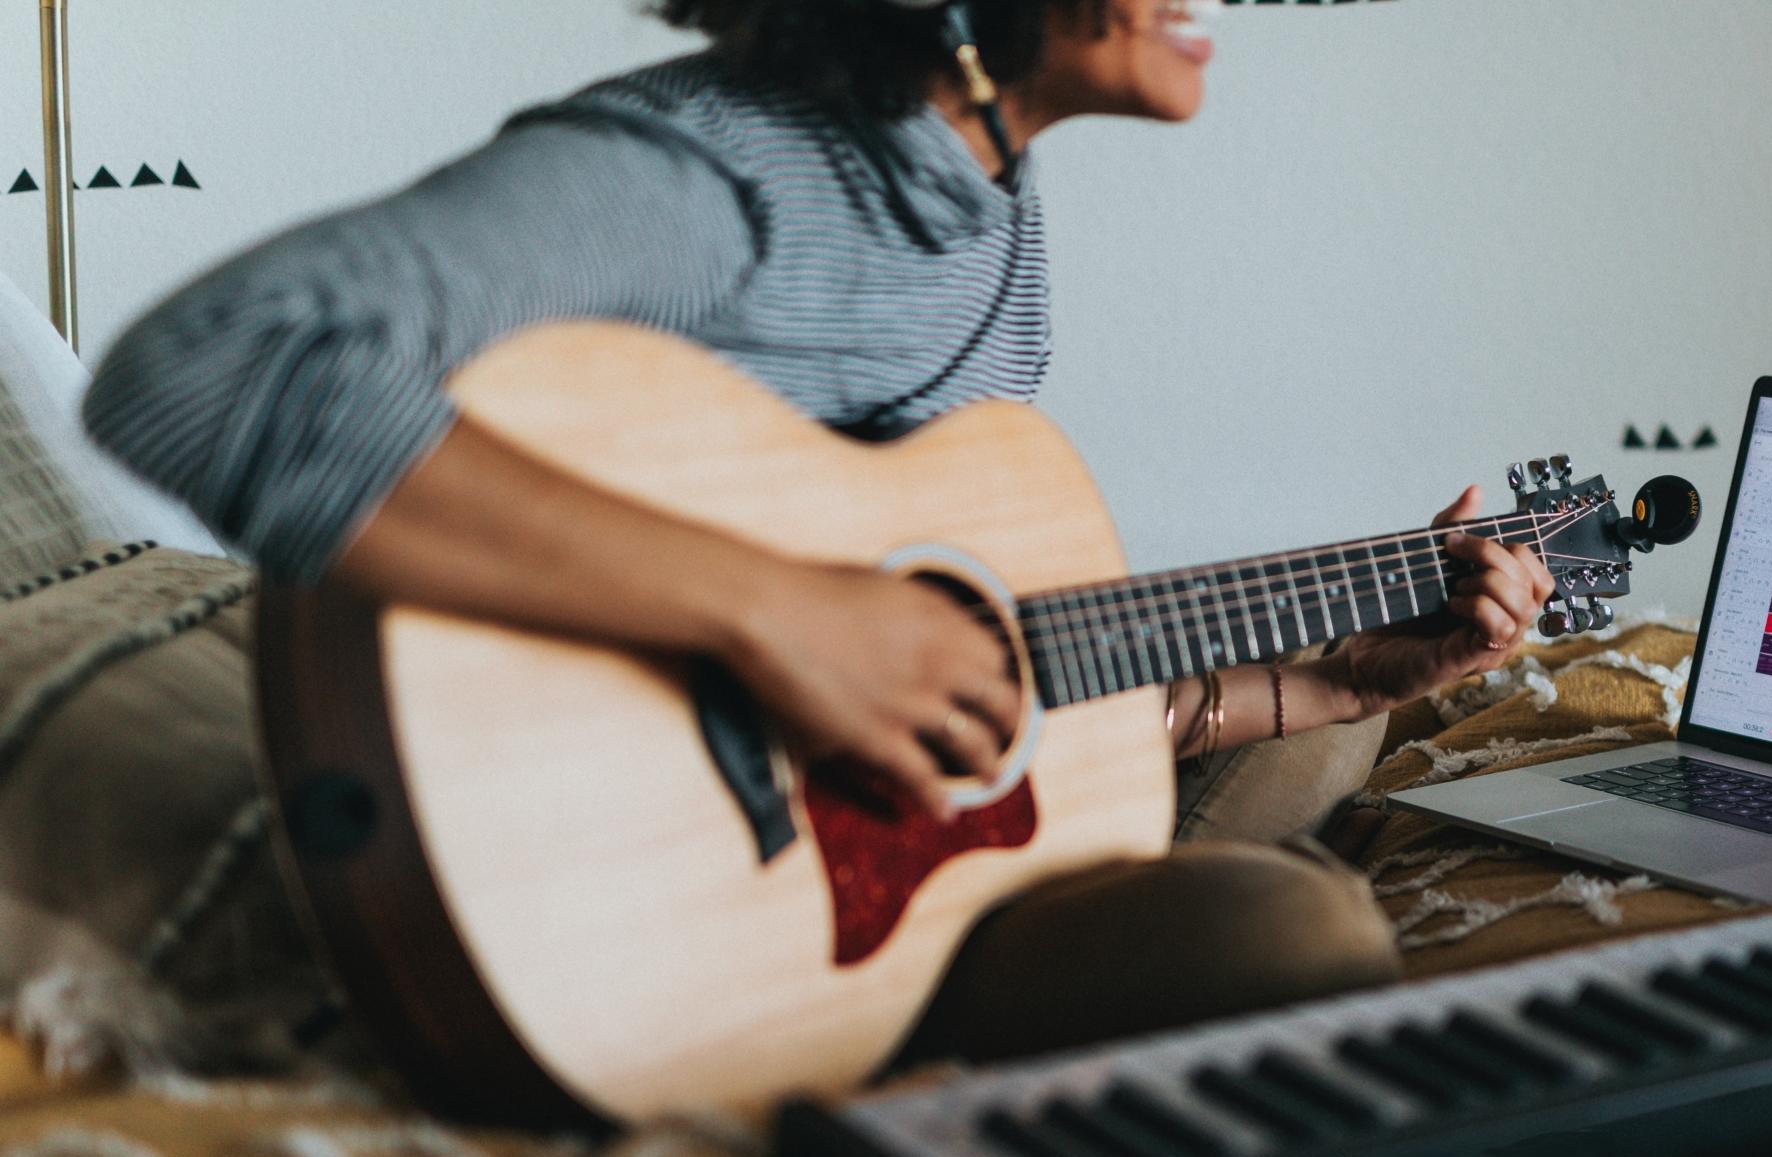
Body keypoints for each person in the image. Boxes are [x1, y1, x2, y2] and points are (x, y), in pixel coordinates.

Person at [82, 0, 1556, 1062]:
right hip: (632, 861)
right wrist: (778, 616)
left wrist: (1335, 684)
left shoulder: (989, 205)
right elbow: (216, 364)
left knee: (1328, 735)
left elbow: (958, 663)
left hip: (868, 820)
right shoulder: (716, 174)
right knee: (1302, 944)